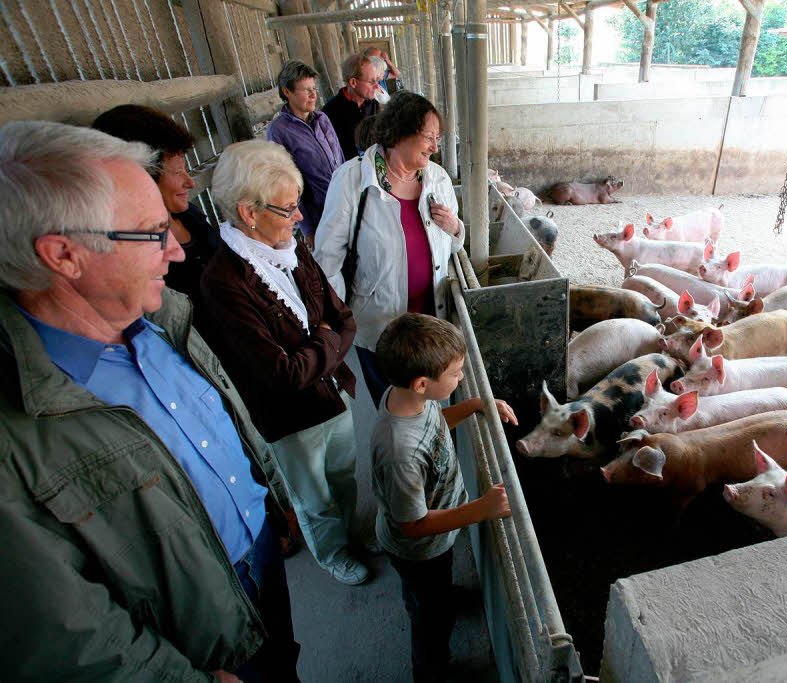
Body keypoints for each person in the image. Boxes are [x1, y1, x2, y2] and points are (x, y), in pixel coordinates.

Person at [0, 120, 298, 682]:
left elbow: (226, 420)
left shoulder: (161, 316)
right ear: (63, 255)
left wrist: (272, 500)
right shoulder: (16, 430)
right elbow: (65, 633)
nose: (178, 254)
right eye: (152, 232)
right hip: (193, 646)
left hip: (259, 554)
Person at [199, 139, 369, 585]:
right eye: (288, 208)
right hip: (292, 417)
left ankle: (351, 535)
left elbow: (344, 318)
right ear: (249, 213)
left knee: (344, 477)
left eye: (297, 206)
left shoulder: (292, 249)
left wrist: (322, 346)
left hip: (332, 393)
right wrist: (328, 344)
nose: (298, 217)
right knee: (314, 497)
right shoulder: (223, 280)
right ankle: (334, 554)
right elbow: (282, 374)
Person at [371, 313, 516, 683]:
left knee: (437, 588)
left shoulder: (406, 397)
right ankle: (430, 672)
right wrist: (480, 509)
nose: (462, 378)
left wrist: (472, 406)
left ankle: (442, 597)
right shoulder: (399, 451)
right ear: (422, 383)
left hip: (436, 534)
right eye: (456, 374)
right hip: (418, 547)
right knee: (429, 619)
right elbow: (413, 524)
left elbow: (434, 425)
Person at [315, 91, 464, 409]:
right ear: (400, 132)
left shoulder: (437, 179)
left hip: (429, 323)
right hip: (379, 327)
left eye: (438, 138)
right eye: (428, 137)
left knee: (430, 402)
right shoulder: (352, 180)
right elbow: (328, 259)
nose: (435, 147)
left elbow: (454, 245)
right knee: (393, 405)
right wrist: (341, 320)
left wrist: (455, 228)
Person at [91, 104, 220, 305]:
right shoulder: (137, 251)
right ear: (140, 177)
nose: (190, 182)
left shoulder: (189, 216)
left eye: (185, 169)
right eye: (177, 172)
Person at [267, 60, 344, 244]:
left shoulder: (322, 119)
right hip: (319, 215)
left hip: (344, 203)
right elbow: (286, 184)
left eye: (314, 89)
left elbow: (340, 158)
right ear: (287, 92)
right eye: (306, 90)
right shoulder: (279, 130)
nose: (313, 95)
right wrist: (308, 229)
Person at [323, 54, 381, 162]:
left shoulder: (373, 104)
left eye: (376, 80)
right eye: (371, 82)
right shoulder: (331, 112)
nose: (377, 86)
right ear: (353, 82)